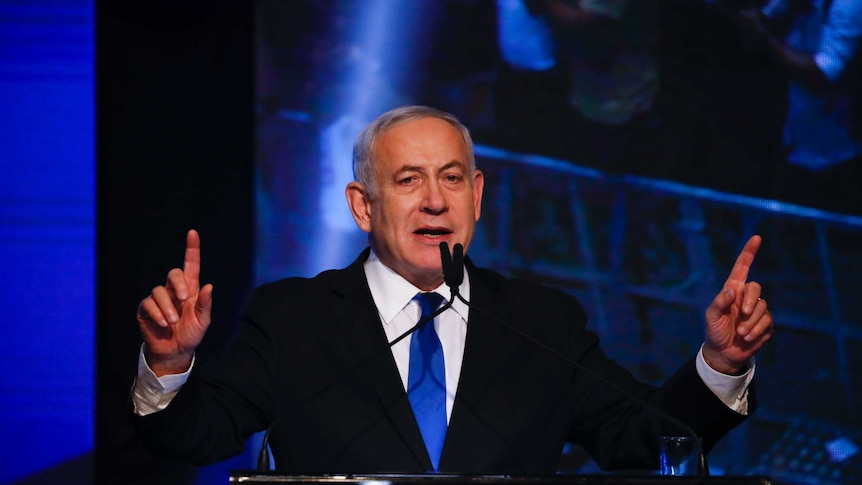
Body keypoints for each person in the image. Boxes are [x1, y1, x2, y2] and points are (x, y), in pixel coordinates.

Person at [133, 105, 774, 474]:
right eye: (409, 180)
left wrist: (720, 364)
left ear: (478, 194)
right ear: (363, 206)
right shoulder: (293, 317)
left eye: (452, 178)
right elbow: (192, 437)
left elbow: (646, 440)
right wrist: (168, 364)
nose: (435, 200)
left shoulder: (543, 322)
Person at [730, 0, 862, 212]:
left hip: (839, 157)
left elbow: (823, 76)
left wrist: (764, 38)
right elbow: (754, 37)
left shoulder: (849, 5)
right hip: (795, 145)